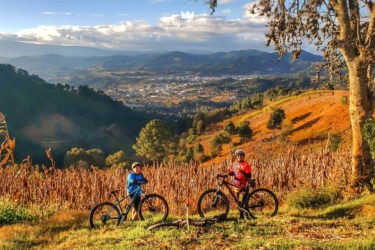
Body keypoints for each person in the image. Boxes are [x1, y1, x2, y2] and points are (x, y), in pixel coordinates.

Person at [228, 148, 252, 219]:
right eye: (238, 155)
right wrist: (226, 173)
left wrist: (242, 171)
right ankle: (241, 215)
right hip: (236, 185)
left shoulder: (246, 164)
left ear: (243, 156)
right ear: (236, 156)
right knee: (239, 202)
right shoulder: (234, 164)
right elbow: (232, 172)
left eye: (241, 155)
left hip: (245, 185)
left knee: (244, 201)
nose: (239, 157)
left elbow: (249, 175)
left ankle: (247, 215)